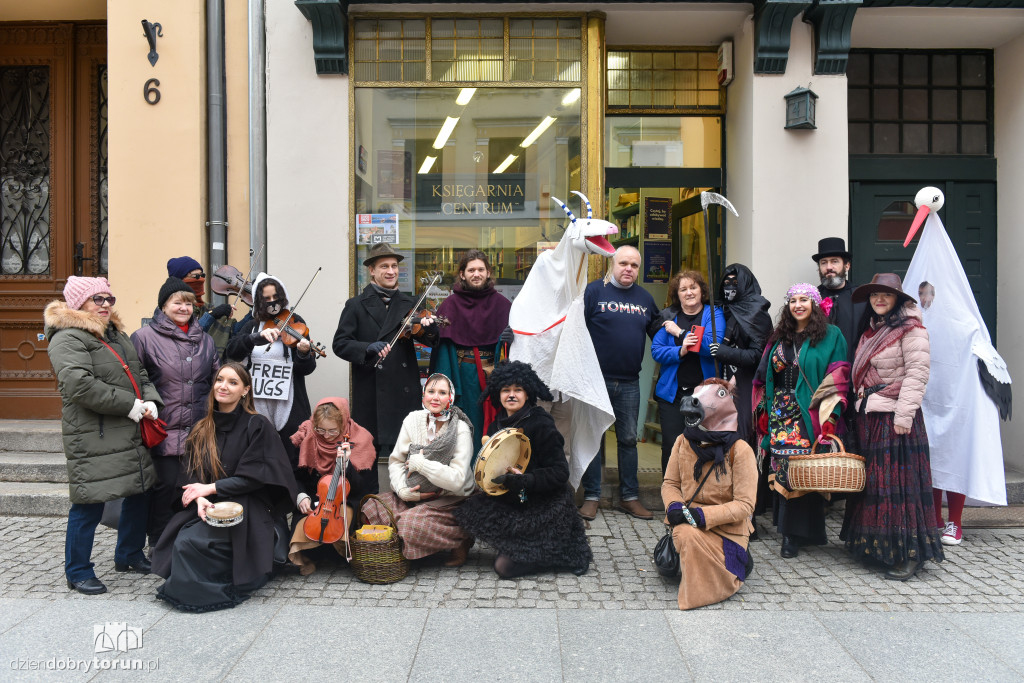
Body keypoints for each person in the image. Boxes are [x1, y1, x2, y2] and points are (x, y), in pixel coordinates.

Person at [44, 276, 161, 595]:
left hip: (128, 428)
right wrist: (129, 404)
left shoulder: (115, 334)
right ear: (78, 303)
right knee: (88, 503)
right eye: (98, 299)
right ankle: (78, 570)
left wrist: (150, 400)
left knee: (139, 492)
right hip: (93, 434)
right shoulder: (67, 337)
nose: (106, 304)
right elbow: (79, 385)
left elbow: (138, 373)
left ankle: (129, 555)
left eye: (109, 298)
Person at [152, 362, 298, 612]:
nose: (224, 386)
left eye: (233, 382)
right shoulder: (201, 429)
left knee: (201, 543)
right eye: (220, 380)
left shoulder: (258, 425)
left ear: (245, 390)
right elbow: (189, 476)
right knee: (185, 540)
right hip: (208, 503)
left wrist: (208, 489)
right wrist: (198, 498)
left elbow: (254, 477)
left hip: (248, 501)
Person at [840, 274, 944, 580]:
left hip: (897, 419)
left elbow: (917, 374)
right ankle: (877, 548)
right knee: (876, 487)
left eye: (886, 295)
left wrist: (903, 416)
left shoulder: (912, 330)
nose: (879, 300)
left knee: (902, 491)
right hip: (871, 416)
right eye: (875, 296)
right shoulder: (871, 332)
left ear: (898, 298)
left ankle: (910, 555)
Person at [455, 361, 592, 579]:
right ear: (497, 394)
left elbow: (560, 472)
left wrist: (527, 480)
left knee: (504, 569)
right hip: (515, 499)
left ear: (527, 393)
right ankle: (516, 544)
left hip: (546, 505)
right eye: (506, 390)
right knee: (469, 510)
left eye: (517, 389)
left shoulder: (541, 423)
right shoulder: (496, 426)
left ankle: (554, 554)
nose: (511, 395)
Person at [753, 283, 849, 559]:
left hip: (812, 413)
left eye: (804, 299)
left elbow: (839, 378)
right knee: (786, 470)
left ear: (815, 304)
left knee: (805, 472)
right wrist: (762, 410)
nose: (798, 304)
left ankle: (801, 534)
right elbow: (763, 375)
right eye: (793, 300)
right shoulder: (779, 335)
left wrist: (831, 419)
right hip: (781, 412)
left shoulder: (832, 335)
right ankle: (789, 534)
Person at [131, 277, 220, 548]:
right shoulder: (144, 338)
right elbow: (135, 380)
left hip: (197, 429)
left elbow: (215, 379)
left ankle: (186, 542)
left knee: (194, 486)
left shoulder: (205, 340)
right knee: (165, 489)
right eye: (177, 302)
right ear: (163, 305)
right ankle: (157, 543)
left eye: (189, 303)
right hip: (162, 428)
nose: (184, 308)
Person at [333, 242, 439, 459]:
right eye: (384, 266)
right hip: (371, 391)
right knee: (367, 456)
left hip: (403, 388)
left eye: (394, 266)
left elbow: (432, 340)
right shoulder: (356, 305)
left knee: (406, 457)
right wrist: (366, 347)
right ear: (372, 270)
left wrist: (429, 327)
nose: (391, 271)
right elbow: (340, 344)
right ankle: (370, 494)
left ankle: (401, 494)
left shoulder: (413, 303)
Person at [579, 246, 662, 521]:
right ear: (612, 264)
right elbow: (575, 332)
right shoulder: (593, 292)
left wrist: (678, 331)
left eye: (634, 265)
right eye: (624, 263)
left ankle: (629, 497)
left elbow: (659, 334)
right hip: (595, 380)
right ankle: (592, 496)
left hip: (629, 382)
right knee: (594, 439)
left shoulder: (645, 299)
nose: (629, 269)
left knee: (628, 439)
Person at [662, 377, 757, 610]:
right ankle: (704, 579)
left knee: (687, 534)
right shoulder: (682, 442)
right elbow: (670, 483)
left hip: (727, 532)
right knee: (684, 533)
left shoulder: (740, 450)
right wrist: (675, 507)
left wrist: (703, 516)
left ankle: (720, 581)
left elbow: (745, 505)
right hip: (690, 525)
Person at [361, 373, 475, 566]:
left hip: (448, 500)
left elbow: (457, 480)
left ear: (451, 398)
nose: (435, 397)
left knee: (408, 524)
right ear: (423, 395)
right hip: (414, 495)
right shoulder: (412, 419)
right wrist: (403, 491)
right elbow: (396, 461)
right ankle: (407, 537)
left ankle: (460, 538)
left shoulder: (460, 429)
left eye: (442, 392)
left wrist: (421, 465)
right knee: (371, 507)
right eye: (431, 391)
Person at [225, 272, 317, 469]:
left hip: (289, 401)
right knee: (258, 453)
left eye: (276, 297)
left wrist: (303, 354)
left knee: (292, 455)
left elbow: (307, 368)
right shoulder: (251, 326)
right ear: (259, 300)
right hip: (257, 401)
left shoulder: (295, 321)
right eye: (266, 298)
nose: (272, 302)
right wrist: (254, 338)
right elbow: (231, 351)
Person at [288, 397, 378, 575]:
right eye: (320, 430)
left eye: (332, 431)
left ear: (343, 424)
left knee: (341, 521)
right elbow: (294, 475)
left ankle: (343, 555)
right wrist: (301, 495)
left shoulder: (362, 439)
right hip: (316, 499)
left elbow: (367, 487)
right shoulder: (308, 436)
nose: (326, 436)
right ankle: (307, 558)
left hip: (346, 499)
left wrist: (347, 466)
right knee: (303, 523)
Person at [711, 264, 773, 521]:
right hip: (721, 387)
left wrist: (726, 353)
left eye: (735, 282)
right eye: (726, 281)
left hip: (746, 388)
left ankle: (748, 513)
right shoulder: (719, 311)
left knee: (744, 448)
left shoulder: (756, 312)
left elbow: (760, 355)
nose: (729, 287)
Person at [430, 250, 512, 438]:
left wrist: (507, 340)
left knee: (495, 427)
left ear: (488, 272)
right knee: (466, 428)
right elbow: (443, 350)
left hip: (495, 376)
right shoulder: (450, 305)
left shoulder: (502, 304)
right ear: (462, 274)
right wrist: (447, 386)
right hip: (463, 376)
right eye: (471, 270)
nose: (476, 274)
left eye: (481, 269)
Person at [651, 269, 725, 475]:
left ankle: (699, 496)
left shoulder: (712, 314)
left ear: (702, 290)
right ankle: (671, 496)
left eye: (693, 287)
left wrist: (681, 333)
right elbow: (656, 351)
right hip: (672, 395)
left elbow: (712, 345)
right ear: (677, 294)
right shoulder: (668, 317)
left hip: (705, 396)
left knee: (703, 446)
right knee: (672, 447)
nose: (689, 292)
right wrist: (680, 350)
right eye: (683, 289)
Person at [166, 256, 251, 356]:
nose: (201, 280)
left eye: (202, 275)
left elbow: (233, 332)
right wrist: (212, 315)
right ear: (180, 280)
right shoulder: (170, 311)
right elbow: (187, 339)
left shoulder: (207, 308)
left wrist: (255, 312)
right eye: (196, 277)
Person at [812, 238, 866, 363]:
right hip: (820, 373)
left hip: (854, 371)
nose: (829, 267)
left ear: (847, 265)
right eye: (823, 263)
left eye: (834, 261)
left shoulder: (861, 298)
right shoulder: (811, 299)